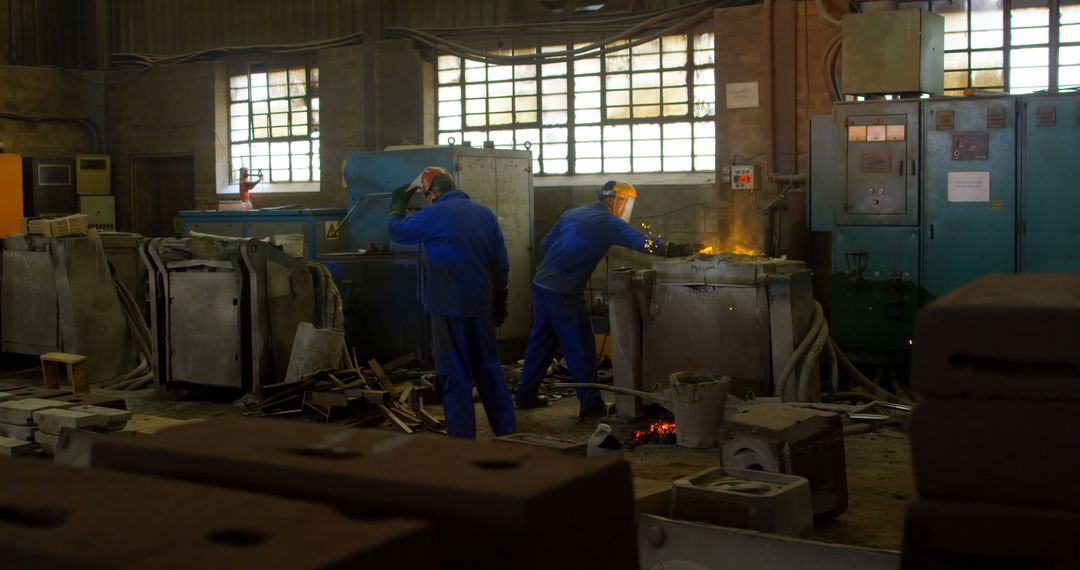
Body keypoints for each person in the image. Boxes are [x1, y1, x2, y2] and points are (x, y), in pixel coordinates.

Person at [514, 180, 700, 419]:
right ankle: (591, 405)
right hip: (565, 293)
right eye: (626, 203)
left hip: (541, 286)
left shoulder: (574, 213)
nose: (626, 208)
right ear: (615, 200)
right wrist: (678, 249)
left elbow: (546, 244)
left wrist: (563, 264)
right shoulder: (607, 222)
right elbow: (640, 241)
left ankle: (525, 396)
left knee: (541, 342)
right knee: (581, 348)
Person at [387, 166, 515, 439]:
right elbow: (501, 263)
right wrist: (500, 298)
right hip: (481, 306)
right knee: (489, 368)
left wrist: (397, 205)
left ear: (431, 193)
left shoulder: (433, 214)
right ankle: (507, 432)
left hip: (448, 308)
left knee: (454, 372)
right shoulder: (485, 215)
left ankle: (462, 441)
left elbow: (397, 232)